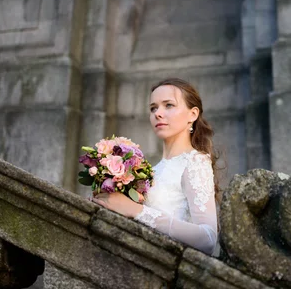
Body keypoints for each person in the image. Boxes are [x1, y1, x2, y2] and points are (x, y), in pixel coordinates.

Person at [92, 78, 219, 255]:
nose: (158, 113)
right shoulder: (154, 170)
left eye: (168, 105)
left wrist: (135, 210)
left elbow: (208, 238)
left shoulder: (195, 162)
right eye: (153, 108)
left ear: (193, 114)